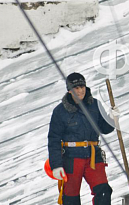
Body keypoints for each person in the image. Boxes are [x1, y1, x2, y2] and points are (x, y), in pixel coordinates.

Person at [48, 72, 115, 205]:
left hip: (93, 156)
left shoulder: (95, 105)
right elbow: (54, 139)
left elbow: (105, 129)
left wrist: (112, 119)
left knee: (103, 190)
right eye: (76, 88)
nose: (80, 90)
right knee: (70, 198)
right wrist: (56, 165)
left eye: (82, 87)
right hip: (72, 159)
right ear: (69, 90)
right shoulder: (60, 111)